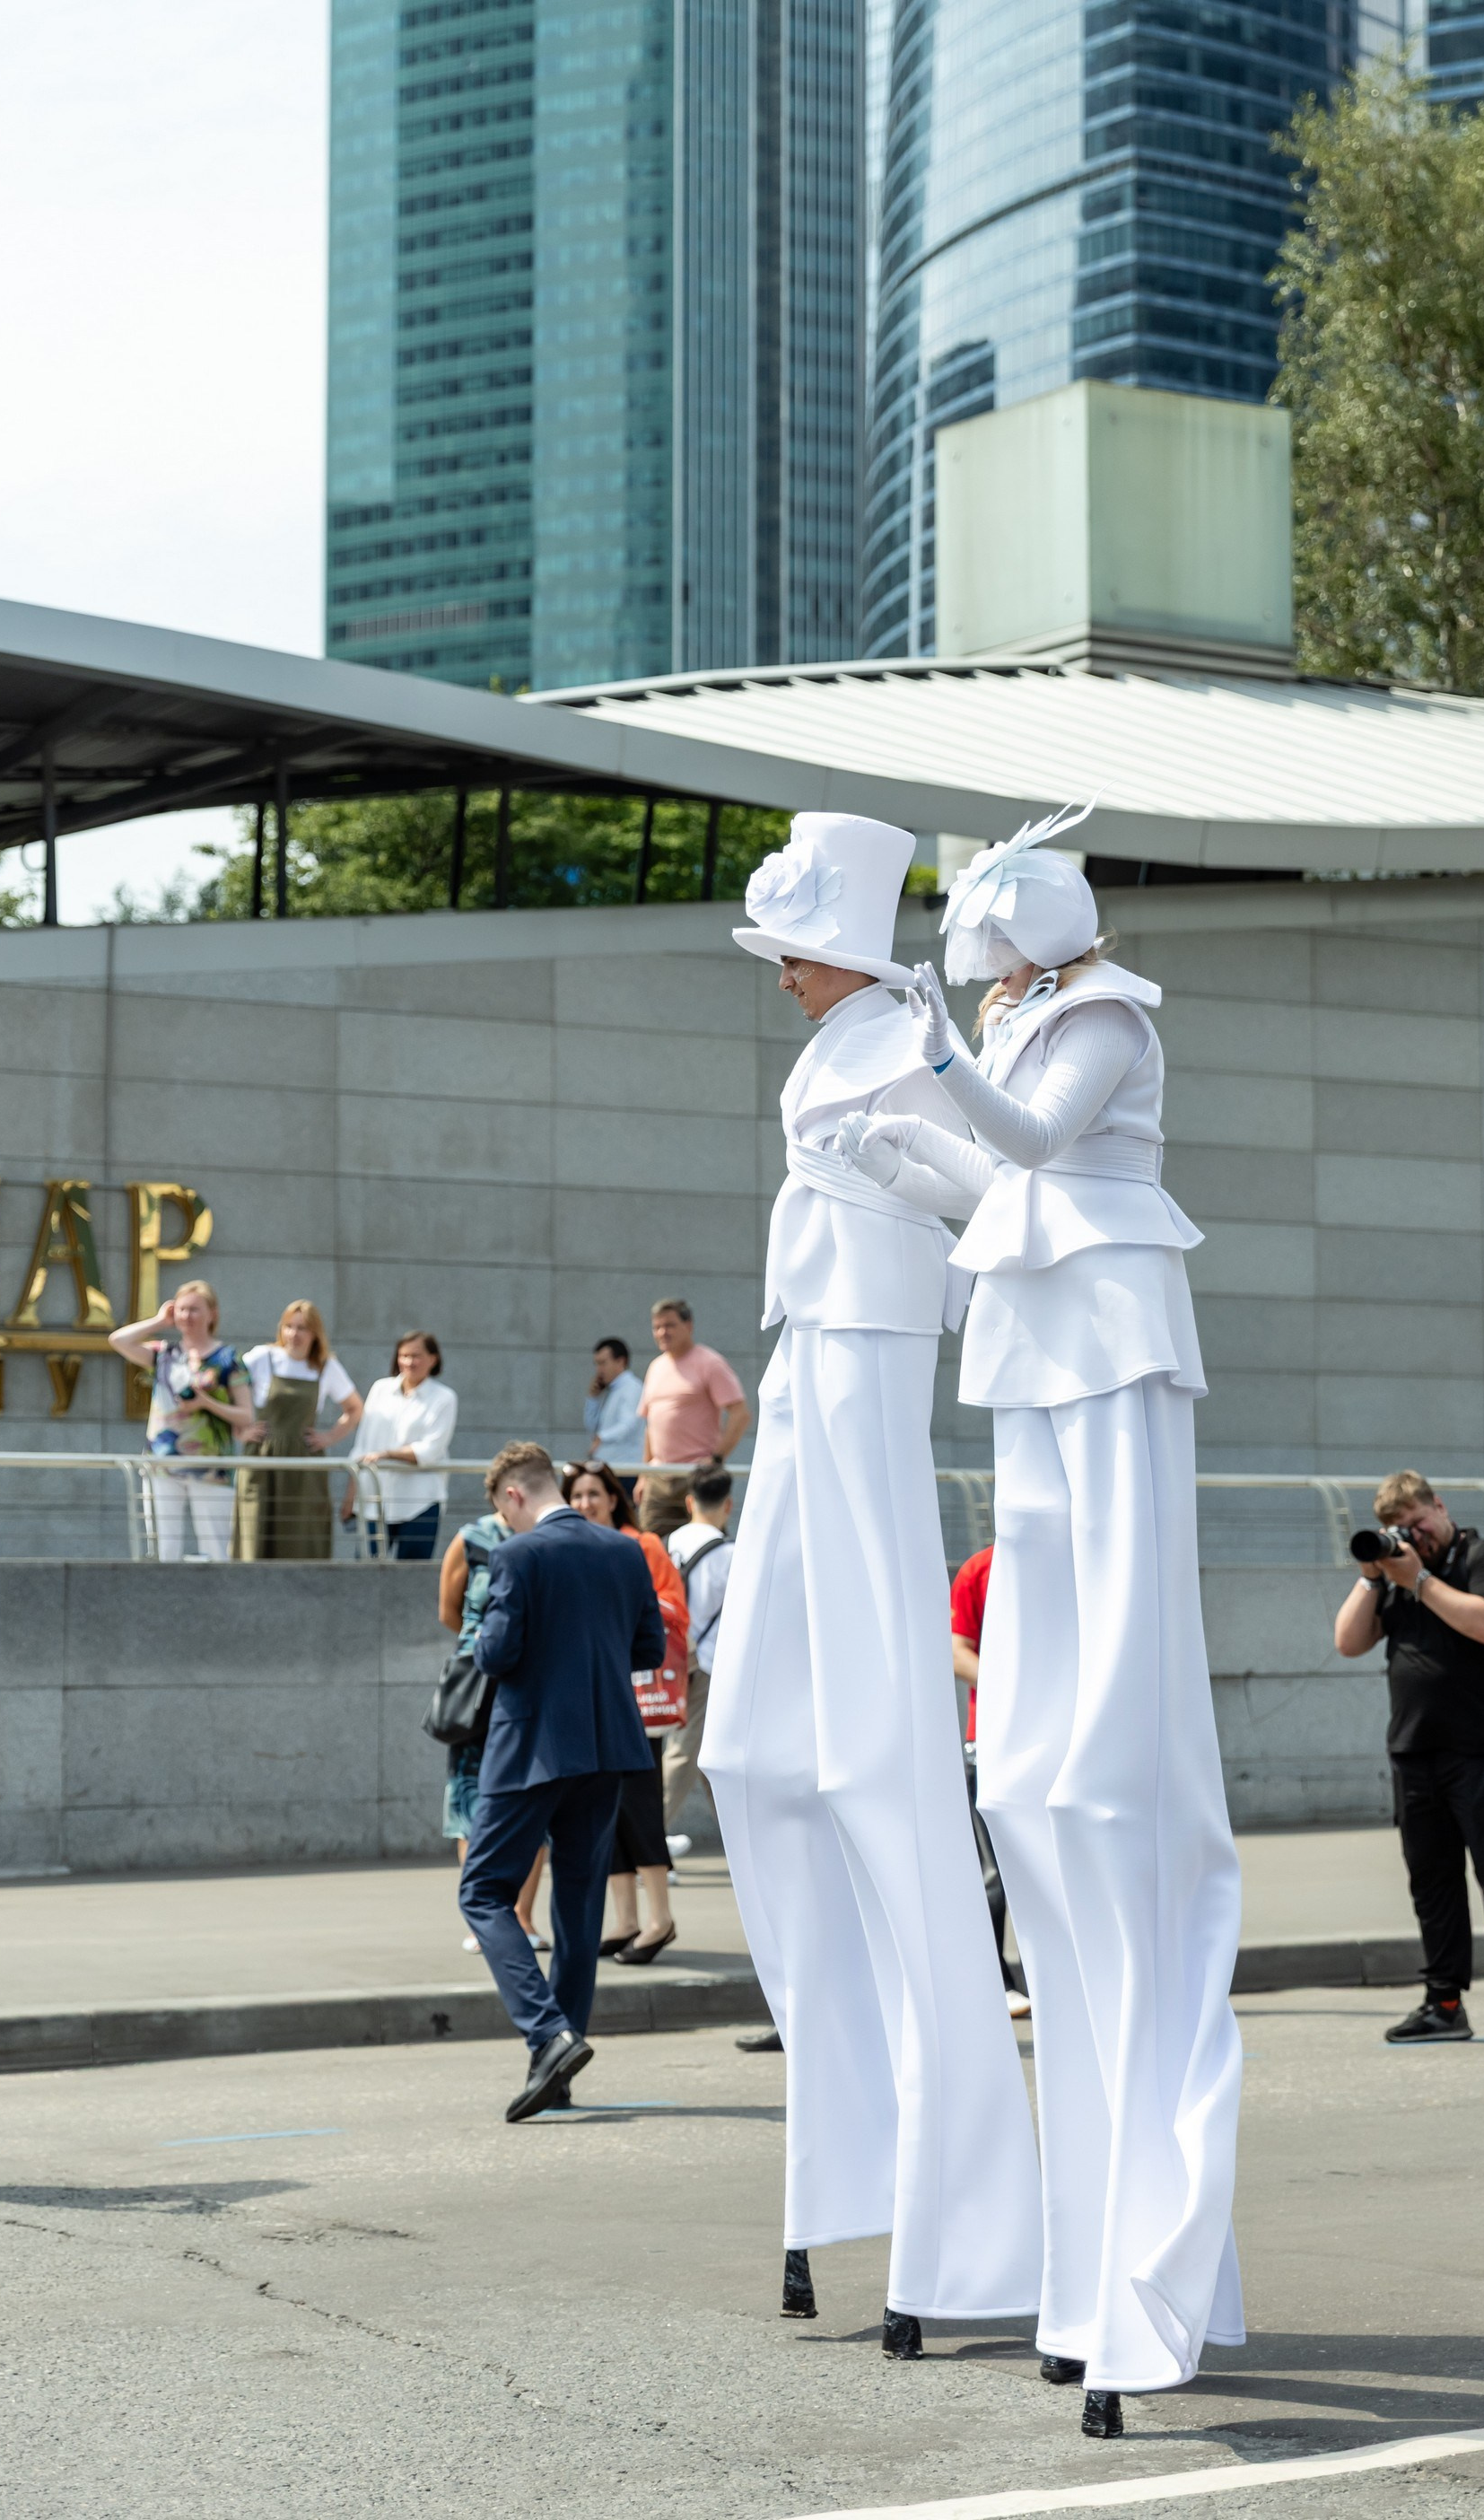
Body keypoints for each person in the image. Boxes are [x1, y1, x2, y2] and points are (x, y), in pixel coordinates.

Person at [842, 803, 1243, 2434]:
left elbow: (1031, 1140)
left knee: (1111, 1589)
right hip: (1032, 1322)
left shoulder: (1102, 1011)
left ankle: (1140, 2287)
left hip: (1114, 1313)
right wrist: (893, 1149)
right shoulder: (1014, 1018)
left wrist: (938, 1081)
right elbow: (990, 1176)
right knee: (1037, 1577)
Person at [700, 810, 1043, 2356]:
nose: (778, 976)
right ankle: (836, 2159)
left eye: (790, 949)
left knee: (880, 1763)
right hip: (807, 1356)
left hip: (867, 1355)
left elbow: (1000, 1197)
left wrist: (914, 1165)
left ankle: (959, 2211)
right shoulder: (848, 1031)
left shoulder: (907, 1033)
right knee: (748, 1754)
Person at [458, 1443, 666, 2120]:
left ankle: (548, 2036)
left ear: (514, 1496)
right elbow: (649, 1650)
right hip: (608, 1744)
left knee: (484, 1891)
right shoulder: (623, 1550)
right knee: (578, 1911)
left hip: (532, 1745)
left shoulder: (517, 1556)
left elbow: (495, 1653)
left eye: (501, 1511)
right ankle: (560, 2065)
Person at [1334, 1469, 1484, 2052]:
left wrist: (1421, 1579)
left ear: (1439, 1506)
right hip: (1414, 1753)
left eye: (1417, 1522)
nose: (1412, 1536)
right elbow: (1349, 1642)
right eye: (1397, 1530)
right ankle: (1444, 2003)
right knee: (1432, 1886)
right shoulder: (1397, 1576)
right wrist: (1371, 1576)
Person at [563, 1459, 691, 1964]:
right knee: (604, 1809)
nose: (585, 1504)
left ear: (614, 1498)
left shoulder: (645, 1546)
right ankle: (625, 1920)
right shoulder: (568, 1548)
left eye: (593, 1494)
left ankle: (659, 1918)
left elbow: (673, 1610)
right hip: (588, 1695)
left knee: (639, 1803)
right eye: (575, 1496)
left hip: (635, 1697)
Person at [437, 1481, 548, 1956]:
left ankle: (522, 1918)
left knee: (534, 1800)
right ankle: (484, 1919)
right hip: (477, 1687)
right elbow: (449, 1611)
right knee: (470, 1799)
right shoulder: (472, 1538)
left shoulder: (545, 1540)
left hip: (532, 1685)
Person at [109, 1280, 254, 1562]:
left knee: (215, 1549)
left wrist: (205, 1403)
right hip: (163, 1463)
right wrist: (158, 1321)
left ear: (213, 1313)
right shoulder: (165, 1354)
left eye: (195, 1310)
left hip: (211, 1466)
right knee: (164, 1549)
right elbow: (118, 1341)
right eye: (182, 1309)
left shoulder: (228, 1359)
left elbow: (246, 1416)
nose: (187, 1316)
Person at [948, 1541, 1028, 2017]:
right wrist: (1014, 1691)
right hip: (993, 1741)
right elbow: (958, 1651)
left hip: (1061, 1741)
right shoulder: (981, 1567)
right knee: (994, 1872)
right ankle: (995, 1983)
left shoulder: (1081, 1557)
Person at [234, 1302, 363, 1562]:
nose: (294, 1334)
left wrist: (328, 1437)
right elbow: (227, 1386)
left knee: (301, 1534)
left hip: (304, 1463)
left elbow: (355, 1408)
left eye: (302, 1328)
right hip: (262, 1458)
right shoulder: (262, 1357)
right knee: (256, 1531)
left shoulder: (326, 1367)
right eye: (289, 1327)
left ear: (315, 1333)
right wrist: (240, 1430)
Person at [661, 1465, 736, 1841]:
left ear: (690, 1501)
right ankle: (647, 1845)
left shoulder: (669, 1542)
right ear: (728, 1504)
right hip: (707, 1663)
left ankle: (739, 1841)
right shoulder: (730, 1554)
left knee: (708, 1756)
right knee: (685, 1754)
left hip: (668, 1658)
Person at [635, 1299, 749, 1536]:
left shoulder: (710, 1363)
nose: (662, 1332)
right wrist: (644, 1475)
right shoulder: (655, 1367)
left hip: (696, 1475)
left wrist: (716, 1459)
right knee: (651, 1552)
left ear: (689, 1326)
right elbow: (651, 1425)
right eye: (657, 1327)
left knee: (705, 1545)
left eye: (670, 1325)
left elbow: (741, 1414)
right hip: (658, 1478)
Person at [348, 1330, 458, 1560]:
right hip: (374, 1500)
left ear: (433, 1359)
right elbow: (362, 1445)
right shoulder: (380, 1389)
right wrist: (350, 1495)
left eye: (416, 1355)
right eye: (404, 1355)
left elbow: (430, 1450)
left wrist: (387, 1454)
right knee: (364, 1573)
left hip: (420, 1501)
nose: (409, 1362)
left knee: (412, 1577)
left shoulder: (444, 1397)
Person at [582, 1337, 646, 1462]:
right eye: (597, 1364)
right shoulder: (611, 1389)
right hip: (609, 1464)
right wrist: (593, 1399)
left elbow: (628, 1424)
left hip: (625, 1467)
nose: (599, 1370)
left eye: (603, 1363)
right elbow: (592, 1428)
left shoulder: (632, 1387)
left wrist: (602, 1438)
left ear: (621, 1361)